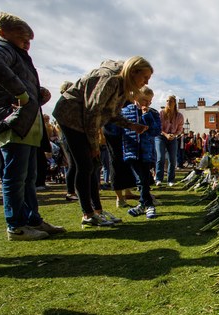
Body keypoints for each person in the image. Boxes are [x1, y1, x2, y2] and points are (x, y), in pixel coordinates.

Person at [0, 12, 65, 240]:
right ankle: (17, 226)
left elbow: (20, 86)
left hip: (27, 125)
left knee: (30, 177)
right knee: (15, 177)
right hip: (12, 123)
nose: (27, 45)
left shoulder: (17, 54)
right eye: (23, 39)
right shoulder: (0, 47)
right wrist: (22, 94)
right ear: (4, 33)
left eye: (29, 40)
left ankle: (33, 220)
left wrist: (37, 94)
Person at [53, 56, 152, 227]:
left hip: (83, 120)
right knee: (85, 166)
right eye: (145, 77)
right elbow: (93, 112)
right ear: (133, 72)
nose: (146, 82)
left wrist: (131, 125)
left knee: (94, 166)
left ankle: (98, 211)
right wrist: (93, 145)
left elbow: (111, 113)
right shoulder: (111, 81)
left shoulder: (123, 86)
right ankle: (88, 214)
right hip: (71, 117)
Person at [121, 87, 160, 219]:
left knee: (143, 179)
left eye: (150, 101)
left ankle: (145, 205)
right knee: (140, 179)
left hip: (146, 151)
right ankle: (146, 205)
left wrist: (146, 115)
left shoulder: (153, 113)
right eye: (144, 100)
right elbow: (119, 129)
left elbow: (155, 131)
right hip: (131, 150)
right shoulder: (125, 112)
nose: (147, 104)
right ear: (136, 97)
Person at [155, 95, 183, 187]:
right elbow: (158, 127)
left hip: (173, 137)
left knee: (172, 159)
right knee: (160, 158)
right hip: (161, 136)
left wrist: (174, 135)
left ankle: (170, 180)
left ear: (174, 103)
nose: (168, 103)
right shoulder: (161, 113)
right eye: (167, 101)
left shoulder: (179, 116)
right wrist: (166, 134)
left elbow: (179, 129)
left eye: (170, 101)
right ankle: (158, 179)